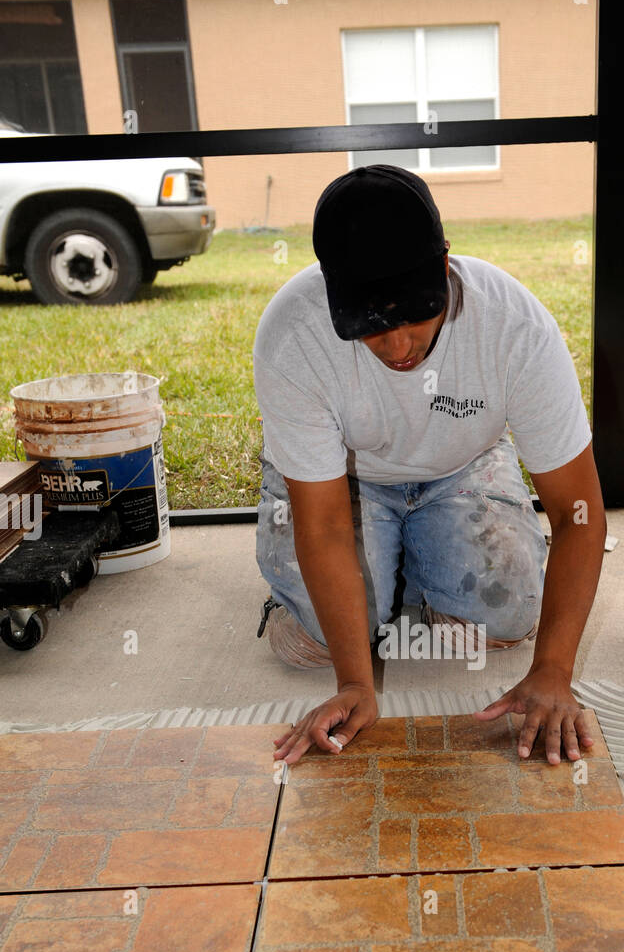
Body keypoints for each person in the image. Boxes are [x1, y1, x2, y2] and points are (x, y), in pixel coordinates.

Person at [253, 164, 605, 767]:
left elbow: (578, 513)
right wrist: (356, 684)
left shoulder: (515, 329)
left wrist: (552, 671)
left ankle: (404, 564)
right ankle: (378, 576)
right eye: (369, 328)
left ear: (443, 268)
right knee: (321, 639)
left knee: (507, 615)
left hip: (464, 463)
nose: (395, 349)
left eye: (411, 317)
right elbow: (328, 528)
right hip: (343, 482)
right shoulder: (294, 336)